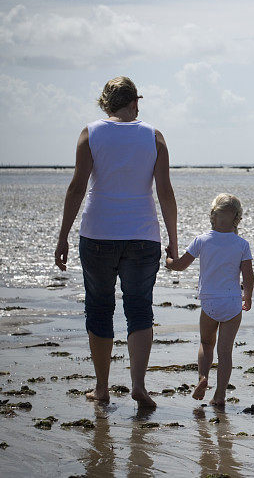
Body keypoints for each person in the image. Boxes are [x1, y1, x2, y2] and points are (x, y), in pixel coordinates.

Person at [54, 76, 178, 407]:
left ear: (105, 103)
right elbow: (164, 191)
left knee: (99, 307)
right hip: (142, 236)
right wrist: (173, 239)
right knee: (139, 308)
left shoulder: (90, 134)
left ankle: (102, 387)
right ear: (134, 101)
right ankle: (138, 385)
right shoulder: (154, 136)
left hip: (98, 235)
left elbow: (77, 187)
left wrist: (63, 236)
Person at [166, 194, 254, 407]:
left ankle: (202, 378)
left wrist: (168, 260)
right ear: (237, 218)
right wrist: (248, 296)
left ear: (213, 215)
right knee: (225, 352)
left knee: (206, 343)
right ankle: (220, 395)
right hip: (232, 303)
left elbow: (180, 265)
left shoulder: (202, 240)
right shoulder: (241, 244)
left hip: (209, 302)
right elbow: (248, 275)